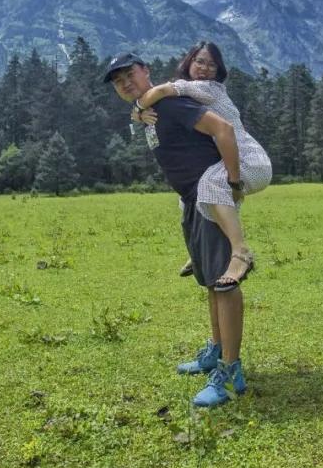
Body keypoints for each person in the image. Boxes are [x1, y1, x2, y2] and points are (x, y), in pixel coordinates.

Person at [103, 52, 247, 407]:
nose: (125, 83)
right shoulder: (149, 112)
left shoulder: (170, 104)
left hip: (209, 196)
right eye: (118, 81)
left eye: (129, 74)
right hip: (191, 200)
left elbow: (221, 129)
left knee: (225, 283)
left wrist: (233, 183)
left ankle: (231, 372)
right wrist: (137, 114)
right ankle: (217, 350)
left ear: (145, 71)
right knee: (211, 280)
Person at [131, 41, 271, 289]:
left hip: (249, 160)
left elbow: (161, 91)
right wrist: (141, 114)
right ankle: (200, 252)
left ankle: (240, 253)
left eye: (212, 65)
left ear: (218, 71)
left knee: (209, 184)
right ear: (189, 62)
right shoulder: (191, 94)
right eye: (200, 61)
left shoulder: (207, 88)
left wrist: (138, 109)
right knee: (191, 197)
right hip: (232, 157)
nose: (205, 68)